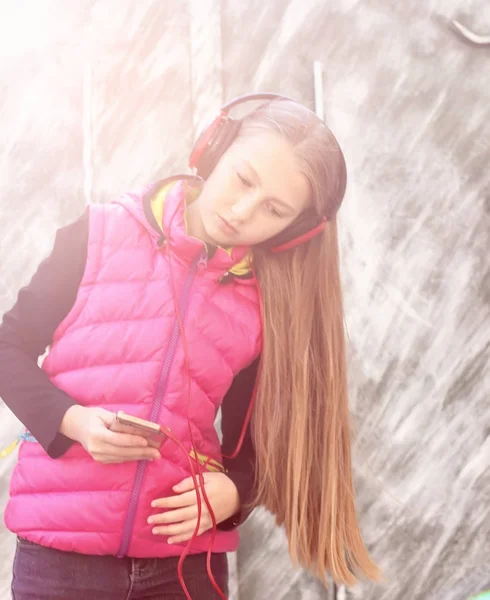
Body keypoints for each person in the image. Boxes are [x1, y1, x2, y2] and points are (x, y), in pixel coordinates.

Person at [0, 94, 381, 599]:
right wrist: (75, 422)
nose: (244, 211)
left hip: (185, 568)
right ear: (213, 148)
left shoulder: (265, 307)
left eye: (275, 210)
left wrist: (234, 492)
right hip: (61, 564)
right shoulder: (97, 233)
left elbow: (264, 446)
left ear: (294, 231)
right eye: (244, 179)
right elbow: (8, 349)